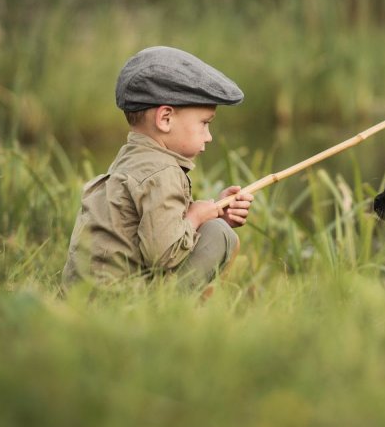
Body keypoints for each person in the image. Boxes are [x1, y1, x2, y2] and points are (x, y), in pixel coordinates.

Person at [62, 46, 253, 290]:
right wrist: (196, 217)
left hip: (85, 297)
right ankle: (181, 312)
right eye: (204, 123)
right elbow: (163, 254)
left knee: (214, 224)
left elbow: (156, 225)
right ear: (165, 119)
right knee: (219, 234)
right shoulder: (162, 172)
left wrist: (214, 210)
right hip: (124, 300)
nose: (209, 136)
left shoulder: (131, 158)